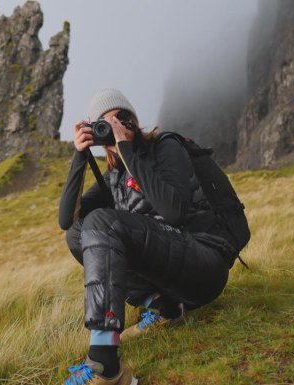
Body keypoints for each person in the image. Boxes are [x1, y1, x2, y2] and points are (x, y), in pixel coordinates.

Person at [58, 89, 238, 385]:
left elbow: (175, 213)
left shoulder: (165, 148)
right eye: (103, 124)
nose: (113, 126)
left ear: (133, 121)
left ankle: (107, 366)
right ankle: (165, 307)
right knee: (79, 233)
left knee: (103, 221)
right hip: (172, 275)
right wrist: (80, 157)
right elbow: (66, 222)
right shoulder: (112, 178)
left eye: (121, 118)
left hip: (204, 264)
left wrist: (127, 150)